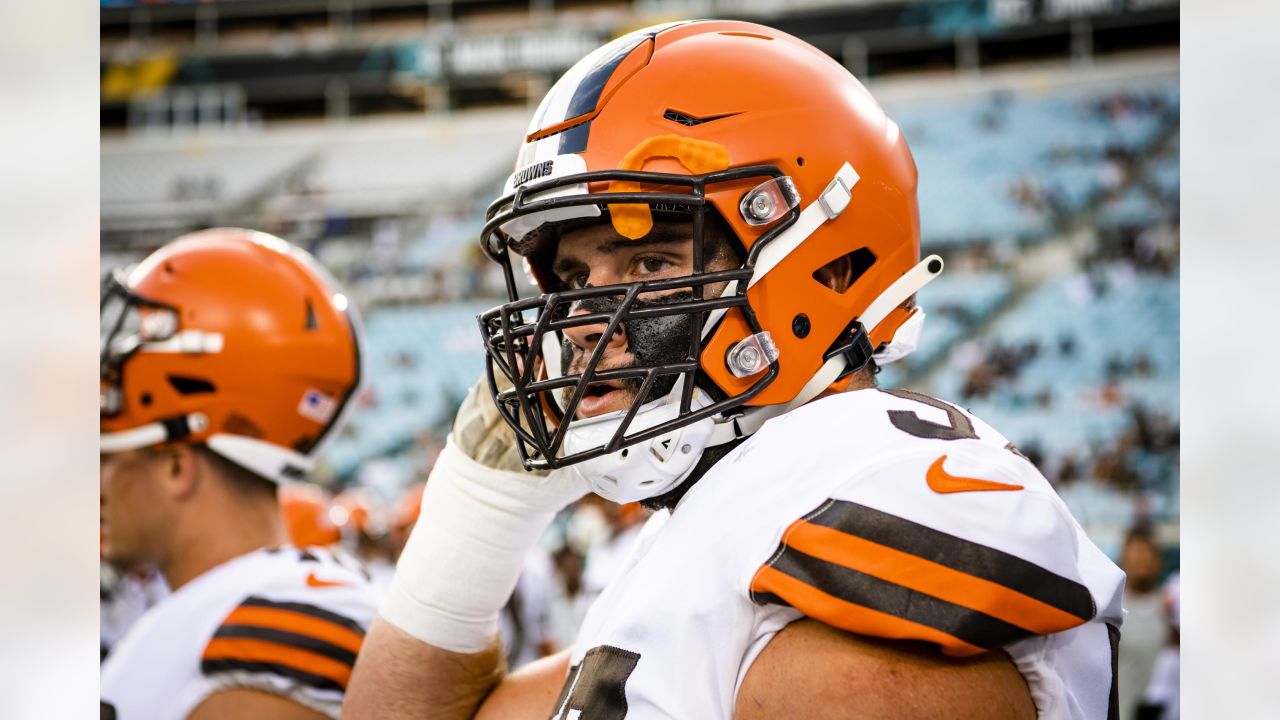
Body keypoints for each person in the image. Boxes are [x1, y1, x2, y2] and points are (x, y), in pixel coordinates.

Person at [346, 20, 1124, 719]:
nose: (579, 326)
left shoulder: (858, 500)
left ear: (826, 264)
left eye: (648, 262)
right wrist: (478, 507)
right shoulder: (735, 508)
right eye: (577, 281)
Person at [100, 228, 377, 720]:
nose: (96, 485)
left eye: (109, 458)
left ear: (175, 466)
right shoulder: (230, 606)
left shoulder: (264, 624)